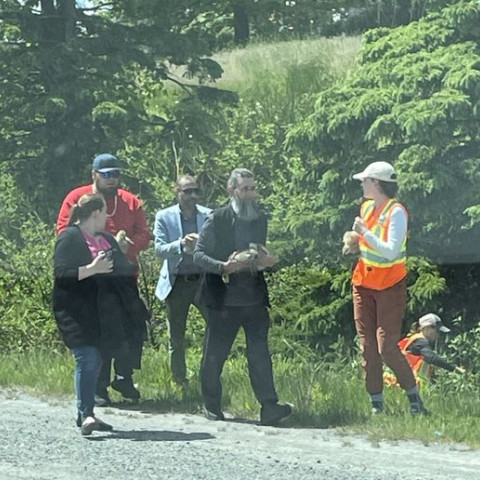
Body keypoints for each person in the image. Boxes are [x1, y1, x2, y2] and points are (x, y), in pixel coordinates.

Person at [193, 168, 292, 426]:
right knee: (216, 353)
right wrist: (224, 267)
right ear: (232, 191)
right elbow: (199, 255)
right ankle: (211, 403)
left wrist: (266, 261)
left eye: (253, 188)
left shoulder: (259, 218)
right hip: (223, 298)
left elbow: (259, 251)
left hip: (254, 296)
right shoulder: (218, 219)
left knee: (260, 353)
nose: (251, 194)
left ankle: (269, 407)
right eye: (245, 189)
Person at [56, 153, 150, 405]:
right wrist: (101, 250)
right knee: (101, 330)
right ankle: (98, 386)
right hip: (91, 279)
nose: (112, 179)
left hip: (124, 276)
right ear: (94, 175)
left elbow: (144, 234)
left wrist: (127, 246)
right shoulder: (77, 198)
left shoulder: (130, 201)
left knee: (134, 323)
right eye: (106, 174)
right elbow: (65, 233)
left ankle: (124, 376)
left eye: (116, 174)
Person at [351, 161, 428, 415]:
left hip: (390, 286)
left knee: (387, 347)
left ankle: (414, 399)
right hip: (363, 284)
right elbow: (365, 244)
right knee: (368, 347)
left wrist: (364, 232)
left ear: (377, 183)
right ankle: (376, 404)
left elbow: (391, 250)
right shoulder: (366, 207)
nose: (362, 184)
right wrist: (353, 240)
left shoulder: (397, 212)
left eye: (365, 180)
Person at [153, 175, 211, 385]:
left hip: (203, 281)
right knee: (177, 336)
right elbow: (158, 250)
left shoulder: (208, 215)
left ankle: (208, 375)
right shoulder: (164, 217)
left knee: (214, 326)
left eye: (196, 191)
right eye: (187, 191)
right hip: (177, 281)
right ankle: (180, 380)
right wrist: (180, 244)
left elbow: (218, 245)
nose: (192, 196)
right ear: (176, 192)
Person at [391, 313, 465, 386]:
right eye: (437, 330)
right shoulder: (421, 342)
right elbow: (432, 358)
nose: (438, 334)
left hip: (403, 382)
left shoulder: (415, 339)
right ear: (426, 328)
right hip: (409, 385)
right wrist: (454, 368)